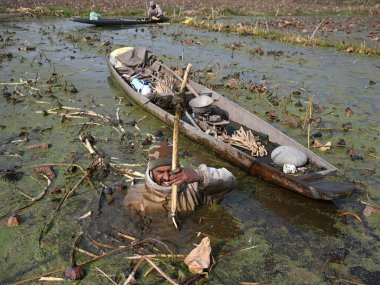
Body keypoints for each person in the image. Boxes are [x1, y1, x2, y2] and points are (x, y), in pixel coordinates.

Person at [123, 137, 237, 214]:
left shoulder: (193, 187)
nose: (167, 178)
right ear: (151, 171)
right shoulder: (136, 198)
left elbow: (231, 181)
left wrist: (199, 175)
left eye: (171, 171)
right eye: (160, 172)